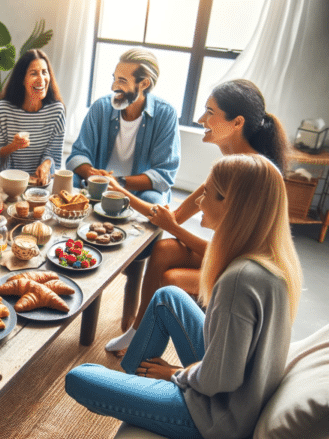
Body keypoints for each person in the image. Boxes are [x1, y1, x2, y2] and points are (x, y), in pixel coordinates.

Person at [67, 154, 302, 439]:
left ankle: (140, 395)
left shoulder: (239, 279)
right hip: (238, 392)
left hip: (218, 417)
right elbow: (231, 362)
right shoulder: (270, 259)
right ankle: (137, 388)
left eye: (208, 193)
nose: (200, 201)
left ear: (233, 206)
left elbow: (221, 379)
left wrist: (175, 375)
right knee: (167, 296)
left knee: (80, 377)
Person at [105, 79, 290, 351]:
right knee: (165, 250)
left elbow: (229, 253)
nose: (200, 118)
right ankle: (137, 331)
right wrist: (120, 191)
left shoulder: (250, 174)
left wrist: (174, 227)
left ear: (237, 123)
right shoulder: (227, 167)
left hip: (245, 270)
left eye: (210, 112)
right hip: (228, 255)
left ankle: (150, 351)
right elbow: (175, 215)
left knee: (171, 280)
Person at [66, 47, 180, 205]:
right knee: (69, 181)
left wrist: (118, 182)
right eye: (115, 78)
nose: (114, 87)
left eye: (122, 81)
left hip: (138, 191)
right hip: (98, 185)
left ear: (144, 84)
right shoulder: (101, 107)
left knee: (154, 200)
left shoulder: (166, 115)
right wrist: (94, 175)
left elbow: (164, 174)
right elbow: (77, 155)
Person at [0, 49, 65, 185]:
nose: (41, 79)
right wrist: (12, 146)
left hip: (39, 188)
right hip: (7, 186)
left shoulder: (56, 112)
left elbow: (54, 157)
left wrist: (46, 165)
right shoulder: (2, 110)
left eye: (44, 72)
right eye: (34, 73)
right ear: (22, 79)